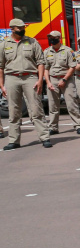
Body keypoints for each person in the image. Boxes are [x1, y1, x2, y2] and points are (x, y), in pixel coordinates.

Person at [0, 18, 52, 150]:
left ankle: (44, 137)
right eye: (19, 28)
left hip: (30, 77)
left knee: (36, 108)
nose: (22, 30)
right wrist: (1, 84)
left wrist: (40, 80)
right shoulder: (4, 44)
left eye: (23, 28)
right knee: (14, 110)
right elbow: (0, 66)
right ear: (12, 29)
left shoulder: (32, 42)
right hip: (11, 78)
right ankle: (14, 141)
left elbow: (41, 62)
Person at [43, 31, 80, 135]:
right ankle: (53, 127)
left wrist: (64, 79)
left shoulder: (68, 51)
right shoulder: (47, 51)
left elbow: (72, 67)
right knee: (53, 106)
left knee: (71, 104)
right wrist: (48, 82)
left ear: (58, 38)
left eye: (53, 37)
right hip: (52, 79)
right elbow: (46, 69)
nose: (51, 39)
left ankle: (78, 125)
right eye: (50, 37)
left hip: (66, 80)